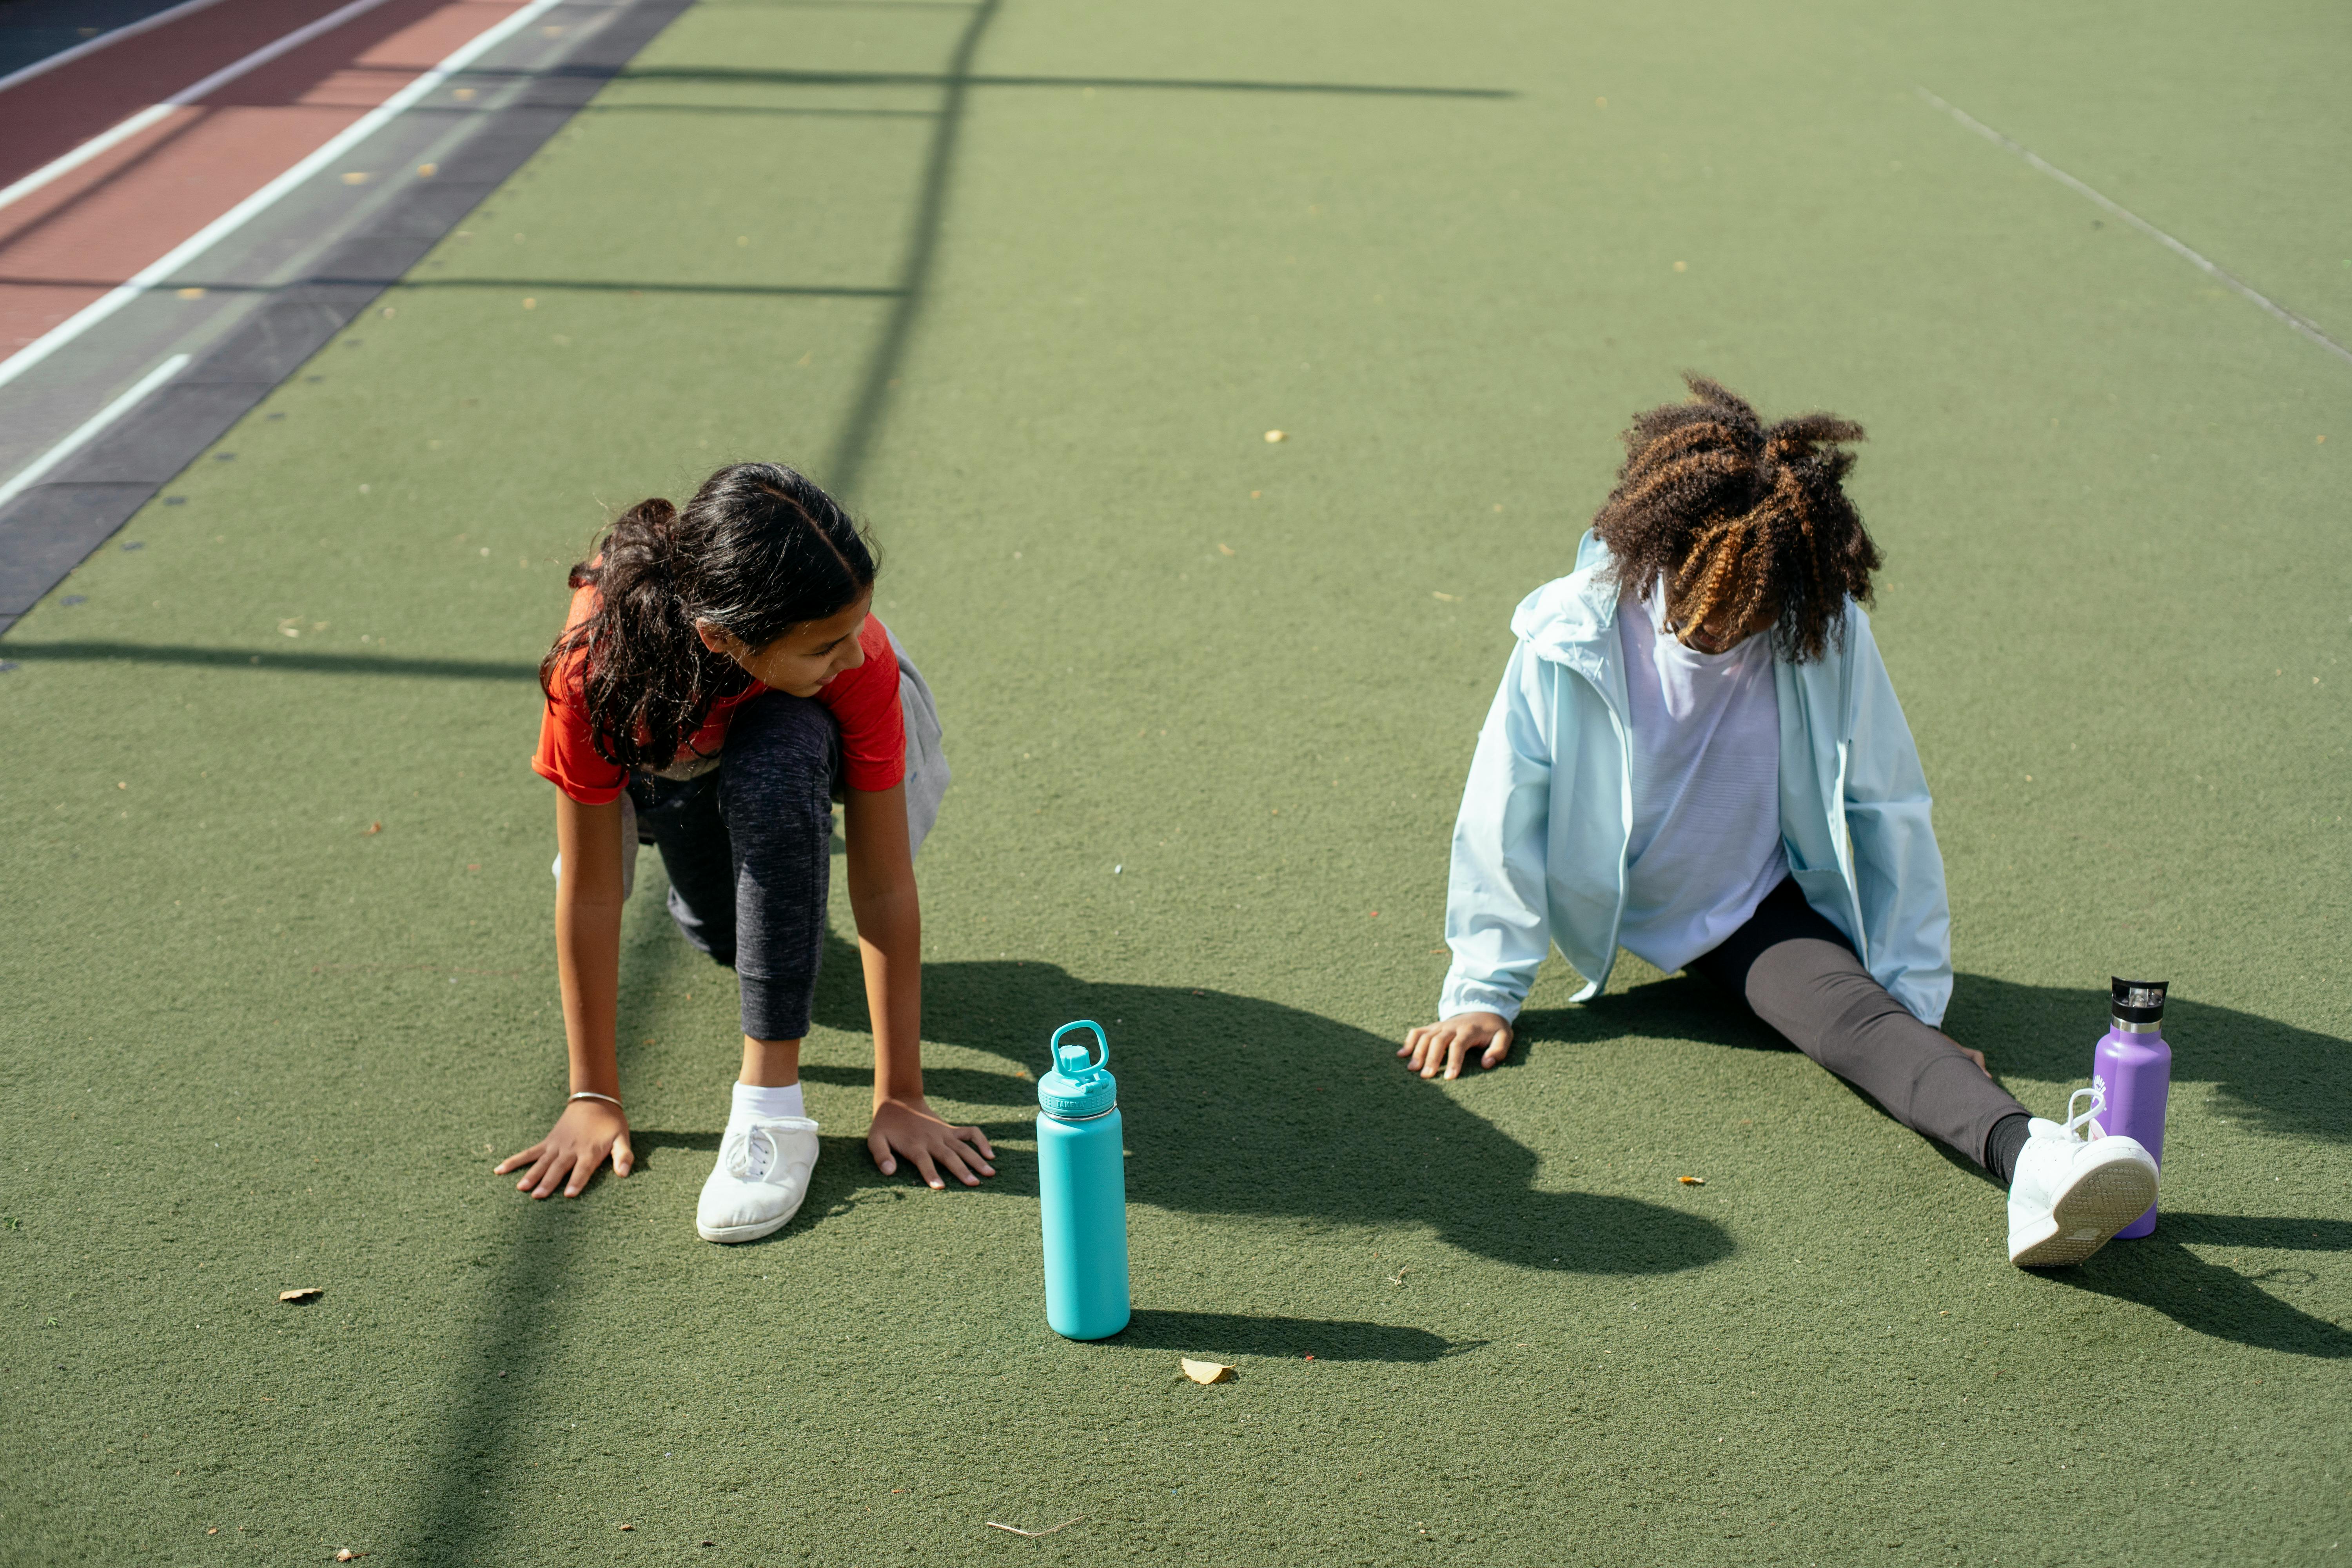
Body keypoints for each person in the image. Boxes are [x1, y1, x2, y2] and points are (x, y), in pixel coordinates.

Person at [1400, 378, 2156, 1268]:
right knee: (1867, 1022)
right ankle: (2022, 1142)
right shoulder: (1567, 631)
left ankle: (2040, 1162)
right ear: (1661, 548)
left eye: (1748, 614)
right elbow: (1504, 803)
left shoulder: (1819, 629)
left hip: (1758, 906)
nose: (1720, 630)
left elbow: (1888, 805)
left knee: (1862, 1030)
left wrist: (1913, 1005)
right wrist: (1485, 989)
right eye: (1701, 606)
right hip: (1633, 896)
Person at [497, 462, 993, 1243]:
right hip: (674, 756)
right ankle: (713, 846)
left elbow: (883, 885)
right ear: (723, 637)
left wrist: (900, 1090)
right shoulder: (595, 674)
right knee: (725, 935)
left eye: (852, 630)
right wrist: (593, 1094)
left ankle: (771, 1111)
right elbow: (592, 892)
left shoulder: (857, 659)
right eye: (827, 644)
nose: (856, 656)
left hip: (786, 734)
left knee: (783, 753)